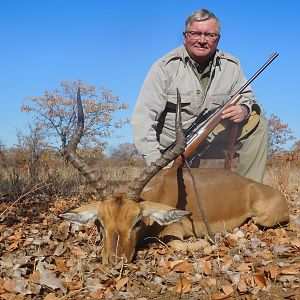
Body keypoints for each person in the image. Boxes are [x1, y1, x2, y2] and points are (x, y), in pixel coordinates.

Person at [131, 9, 268, 183]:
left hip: (213, 139)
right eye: (196, 33)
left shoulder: (231, 65)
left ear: (218, 38)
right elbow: (143, 119)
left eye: (209, 35)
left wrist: (244, 109)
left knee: (258, 125)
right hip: (172, 150)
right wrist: (156, 163)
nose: (202, 40)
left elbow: (247, 96)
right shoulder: (164, 68)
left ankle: (250, 193)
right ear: (185, 36)